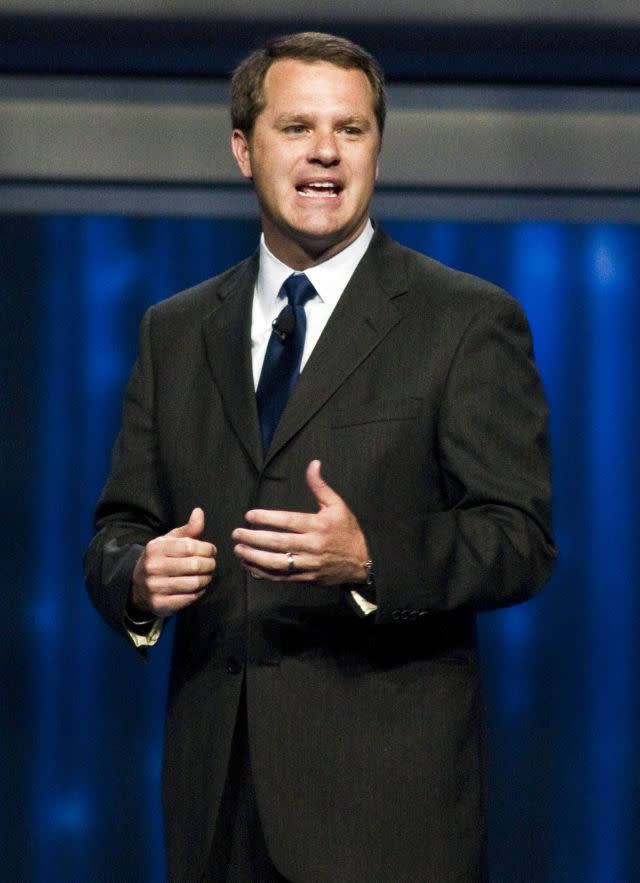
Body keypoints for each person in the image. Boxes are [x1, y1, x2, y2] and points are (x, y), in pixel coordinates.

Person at [85, 31, 556, 883]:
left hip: (384, 816)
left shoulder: (465, 321)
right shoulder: (176, 329)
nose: (326, 155)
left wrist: (372, 557)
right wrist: (139, 580)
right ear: (243, 148)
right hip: (215, 807)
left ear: (378, 148)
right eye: (298, 127)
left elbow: (519, 539)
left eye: (352, 130)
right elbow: (119, 524)